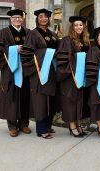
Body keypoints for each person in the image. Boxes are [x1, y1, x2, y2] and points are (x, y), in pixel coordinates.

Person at [21, 8, 59, 139]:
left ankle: (48, 125)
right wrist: (47, 53)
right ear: (37, 19)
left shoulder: (52, 34)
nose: (43, 18)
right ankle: (41, 129)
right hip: (39, 70)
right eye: (41, 16)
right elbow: (27, 53)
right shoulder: (33, 33)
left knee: (50, 98)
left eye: (46, 16)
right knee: (40, 99)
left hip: (52, 70)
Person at [0, 9, 31, 137]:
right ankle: (12, 126)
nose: (17, 19)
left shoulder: (28, 32)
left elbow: (33, 49)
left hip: (25, 69)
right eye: (15, 17)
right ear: (10, 19)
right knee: (11, 95)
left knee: (25, 95)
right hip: (10, 70)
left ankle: (24, 124)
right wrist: (14, 49)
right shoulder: (3, 33)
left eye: (20, 17)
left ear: (23, 19)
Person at [56, 16, 90, 137]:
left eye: (81, 25)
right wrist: (78, 60)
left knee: (80, 101)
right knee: (71, 100)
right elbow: (63, 58)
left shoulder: (86, 41)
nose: (79, 27)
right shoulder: (66, 40)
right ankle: (72, 126)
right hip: (70, 76)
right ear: (72, 27)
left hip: (82, 77)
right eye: (76, 25)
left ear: (84, 27)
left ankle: (78, 124)